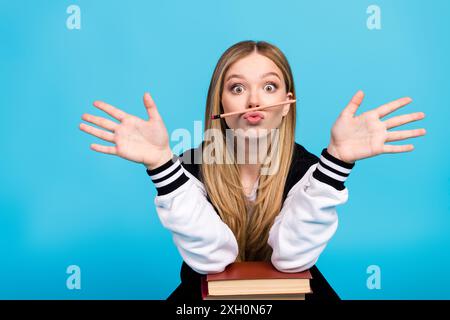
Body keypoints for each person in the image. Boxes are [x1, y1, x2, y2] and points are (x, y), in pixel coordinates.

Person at [79, 40, 426, 300]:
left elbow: (291, 259)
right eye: (238, 88)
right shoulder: (189, 166)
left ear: (287, 104)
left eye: (269, 86)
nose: (254, 101)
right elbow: (213, 260)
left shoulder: (309, 169)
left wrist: (337, 161)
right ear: (220, 104)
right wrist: (160, 164)